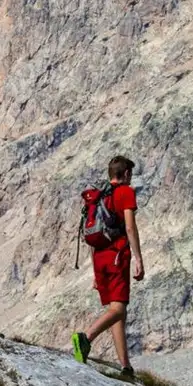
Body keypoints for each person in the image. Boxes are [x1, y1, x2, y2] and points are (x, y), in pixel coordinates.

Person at [71, 155, 144, 374]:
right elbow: (130, 228)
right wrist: (139, 258)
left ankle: (125, 366)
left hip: (100, 258)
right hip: (117, 255)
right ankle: (86, 338)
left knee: (116, 310)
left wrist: (95, 271)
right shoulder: (125, 192)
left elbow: (92, 234)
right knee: (119, 307)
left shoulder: (99, 196)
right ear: (127, 174)